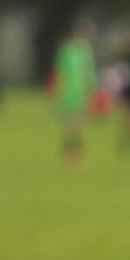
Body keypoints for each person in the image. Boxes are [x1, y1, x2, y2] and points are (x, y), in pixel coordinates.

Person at [52, 16, 97, 157]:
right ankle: (70, 150)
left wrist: (92, 88)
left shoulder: (86, 50)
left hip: (82, 91)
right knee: (71, 122)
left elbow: (89, 72)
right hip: (69, 91)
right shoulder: (67, 49)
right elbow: (60, 71)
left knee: (80, 122)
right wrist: (59, 89)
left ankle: (76, 150)